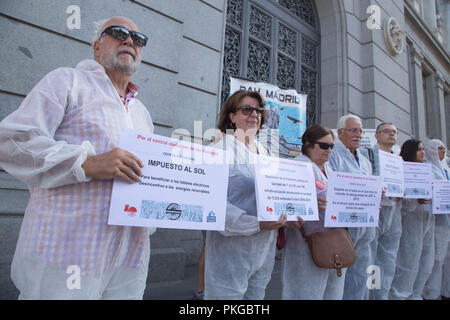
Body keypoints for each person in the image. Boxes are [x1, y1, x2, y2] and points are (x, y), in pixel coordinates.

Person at [0, 17, 154, 299]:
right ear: (97, 48)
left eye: (138, 38)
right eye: (118, 33)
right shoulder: (68, 81)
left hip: (128, 259)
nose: (130, 41)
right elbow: (11, 142)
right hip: (65, 256)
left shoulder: (141, 113)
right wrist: (86, 163)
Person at [203, 90, 287, 300]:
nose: (255, 115)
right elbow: (209, 199)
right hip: (232, 249)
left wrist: (290, 213)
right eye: (247, 109)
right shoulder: (219, 148)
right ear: (231, 116)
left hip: (264, 248)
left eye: (259, 111)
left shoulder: (265, 151)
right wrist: (255, 223)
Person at [282, 124, 348, 299]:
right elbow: (285, 202)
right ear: (309, 144)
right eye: (324, 146)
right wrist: (307, 202)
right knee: (305, 291)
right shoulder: (296, 168)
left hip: (334, 239)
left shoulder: (330, 171)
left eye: (331, 146)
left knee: (332, 291)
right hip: (306, 242)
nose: (329, 150)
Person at [328, 114, 374, 300]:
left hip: (365, 224)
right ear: (340, 133)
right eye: (353, 130)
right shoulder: (333, 155)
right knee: (340, 274)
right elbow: (330, 185)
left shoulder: (364, 159)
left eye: (360, 131)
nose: (358, 135)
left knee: (361, 272)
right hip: (343, 224)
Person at [389, 139, 435, 300]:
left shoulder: (428, 170)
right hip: (410, 221)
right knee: (408, 261)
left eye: (423, 149)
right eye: (418, 150)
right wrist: (416, 200)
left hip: (427, 220)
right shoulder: (402, 170)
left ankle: (416, 294)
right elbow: (402, 202)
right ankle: (399, 295)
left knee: (426, 262)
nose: (422, 152)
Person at [368, 123, 403, 300]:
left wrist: (401, 191)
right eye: (387, 131)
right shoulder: (368, 156)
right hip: (375, 210)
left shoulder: (398, 159)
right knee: (369, 258)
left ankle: (381, 296)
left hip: (394, 211)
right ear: (377, 135)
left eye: (394, 132)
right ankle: (368, 295)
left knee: (388, 259)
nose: (392, 134)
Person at [423, 140, 449, 300]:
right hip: (437, 221)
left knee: (446, 258)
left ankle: (445, 290)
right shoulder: (427, 169)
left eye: (444, 149)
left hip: (447, 221)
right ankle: (431, 292)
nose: (443, 151)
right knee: (437, 258)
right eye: (439, 148)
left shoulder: (445, 169)